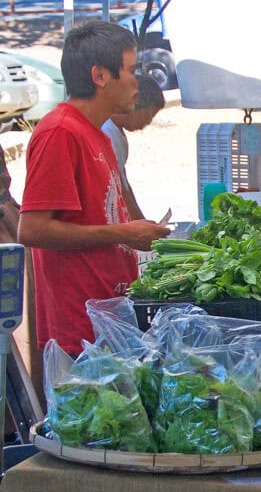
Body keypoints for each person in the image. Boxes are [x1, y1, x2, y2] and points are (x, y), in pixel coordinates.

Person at [18, 20, 170, 355]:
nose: (137, 81)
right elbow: (32, 229)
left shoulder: (98, 134)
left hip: (109, 317)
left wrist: (134, 233)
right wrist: (122, 233)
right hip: (79, 331)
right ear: (100, 76)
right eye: (130, 70)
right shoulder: (59, 132)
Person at [102, 75, 166, 222]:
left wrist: (141, 221)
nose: (148, 122)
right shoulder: (107, 133)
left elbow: (125, 184)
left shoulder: (118, 133)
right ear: (136, 106)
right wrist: (136, 226)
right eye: (149, 116)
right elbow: (120, 190)